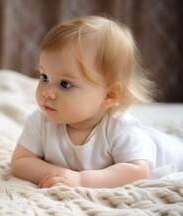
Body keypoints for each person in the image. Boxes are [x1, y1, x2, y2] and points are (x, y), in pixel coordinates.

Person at [10, 15, 183, 188]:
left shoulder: (120, 127)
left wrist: (81, 180)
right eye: (44, 77)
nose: (46, 92)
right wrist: (59, 175)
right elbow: (20, 161)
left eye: (65, 84)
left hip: (172, 152)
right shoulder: (40, 121)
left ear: (109, 95)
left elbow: (138, 171)